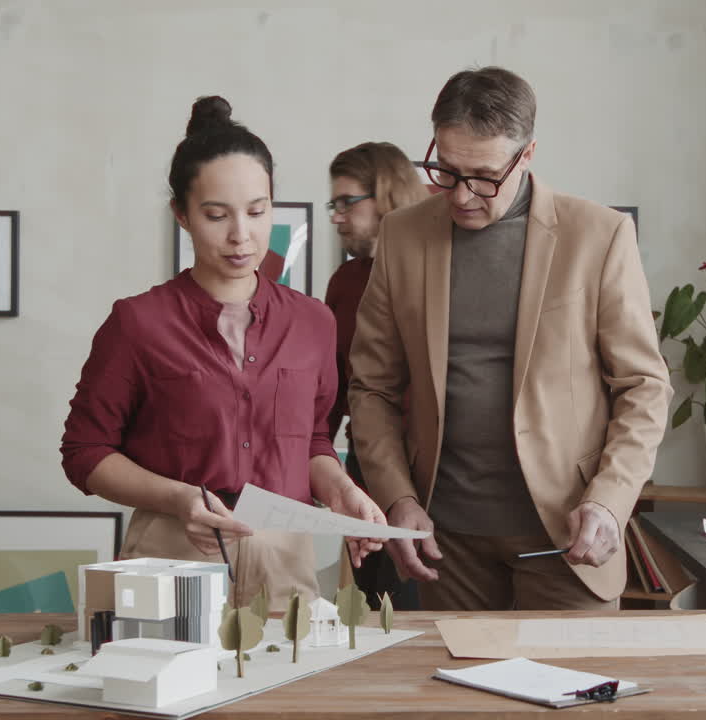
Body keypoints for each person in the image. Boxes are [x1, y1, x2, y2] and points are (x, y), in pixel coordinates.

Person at [348, 67, 671, 611]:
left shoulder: (599, 235)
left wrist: (610, 500)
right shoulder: (402, 236)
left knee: (573, 670)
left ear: (527, 155)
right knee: (456, 672)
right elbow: (371, 388)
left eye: (483, 176)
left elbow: (644, 386)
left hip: (568, 534)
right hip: (444, 541)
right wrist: (397, 497)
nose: (461, 195)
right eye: (446, 170)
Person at [61, 96, 387, 611]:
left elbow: (311, 440)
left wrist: (342, 491)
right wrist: (178, 498)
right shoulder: (137, 323)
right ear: (182, 215)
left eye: (257, 212)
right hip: (171, 559)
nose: (241, 235)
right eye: (216, 215)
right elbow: (85, 452)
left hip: (285, 563)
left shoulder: (313, 323)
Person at [324, 142, 430, 609]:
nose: (337, 216)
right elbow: (331, 389)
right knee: (384, 611)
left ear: (387, 195)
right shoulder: (345, 282)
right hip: (367, 471)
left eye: (347, 202)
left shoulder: (436, 270)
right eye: (334, 204)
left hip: (437, 472)